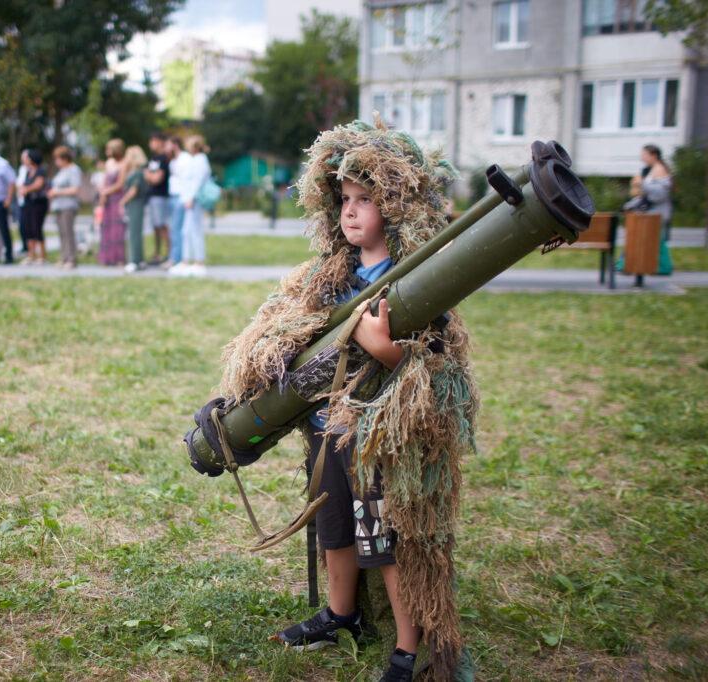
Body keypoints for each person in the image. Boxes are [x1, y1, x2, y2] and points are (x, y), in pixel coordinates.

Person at [219, 118, 477, 682]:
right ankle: (342, 614)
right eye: (345, 199)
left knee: (386, 537)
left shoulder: (421, 282)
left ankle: (408, 648)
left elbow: (438, 374)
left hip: (381, 439)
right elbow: (288, 333)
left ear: (397, 207)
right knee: (332, 523)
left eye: (366, 199)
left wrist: (386, 352)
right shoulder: (330, 276)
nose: (351, 211)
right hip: (325, 427)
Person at [622, 144, 674, 275]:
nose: (642, 157)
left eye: (645, 154)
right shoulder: (648, 170)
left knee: (656, 240)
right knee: (645, 238)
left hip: (657, 213)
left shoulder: (660, 170)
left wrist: (642, 184)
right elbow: (644, 195)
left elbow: (659, 195)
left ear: (654, 155)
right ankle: (630, 264)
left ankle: (662, 266)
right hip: (649, 212)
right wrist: (631, 204)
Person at [170, 135, 211, 277]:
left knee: (195, 230)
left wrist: (191, 198)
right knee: (187, 230)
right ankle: (186, 260)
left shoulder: (200, 160)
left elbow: (198, 181)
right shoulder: (195, 160)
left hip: (194, 200)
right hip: (189, 198)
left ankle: (198, 261)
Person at [47, 145, 82, 269]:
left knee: (68, 232)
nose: (56, 162)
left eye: (57, 159)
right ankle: (64, 257)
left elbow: (75, 189)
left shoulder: (73, 170)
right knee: (62, 232)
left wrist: (57, 192)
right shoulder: (61, 171)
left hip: (68, 206)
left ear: (65, 158)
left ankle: (72, 258)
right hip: (58, 206)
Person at [97, 138, 128, 266]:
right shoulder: (109, 163)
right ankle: (107, 257)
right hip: (108, 199)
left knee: (117, 229)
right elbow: (105, 181)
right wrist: (102, 195)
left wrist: (106, 191)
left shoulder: (124, 164)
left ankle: (119, 258)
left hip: (118, 198)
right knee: (106, 227)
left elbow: (120, 184)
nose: (107, 152)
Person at [17, 149, 49, 265]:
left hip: (38, 203)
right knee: (28, 228)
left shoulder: (41, 171)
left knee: (37, 228)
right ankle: (31, 256)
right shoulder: (28, 171)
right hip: (28, 203)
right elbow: (23, 183)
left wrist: (26, 189)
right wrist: (21, 188)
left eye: (27, 158)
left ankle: (42, 256)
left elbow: (39, 184)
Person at [119, 145, 149, 272]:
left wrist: (122, 201)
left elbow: (133, 190)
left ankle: (134, 260)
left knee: (134, 233)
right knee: (136, 232)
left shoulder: (138, 172)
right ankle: (139, 259)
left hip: (135, 203)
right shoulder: (136, 171)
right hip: (135, 203)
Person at [164, 136, 191, 270]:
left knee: (177, 228)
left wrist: (186, 198)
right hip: (173, 195)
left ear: (175, 145)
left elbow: (187, 180)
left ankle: (176, 258)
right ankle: (175, 256)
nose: (165, 148)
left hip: (181, 196)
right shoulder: (173, 160)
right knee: (174, 228)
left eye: (168, 145)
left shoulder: (185, 159)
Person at [144, 131, 171, 264]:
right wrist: (150, 176)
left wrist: (150, 176)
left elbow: (156, 178)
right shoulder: (153, 159)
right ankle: (157, 253)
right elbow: (148, 175)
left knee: (162, 225)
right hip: (151, 196)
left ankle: (169, 253)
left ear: (160, 141)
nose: (151, 144)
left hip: (161, 196)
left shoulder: (164, 159)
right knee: (154, 226)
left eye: (153, 140)